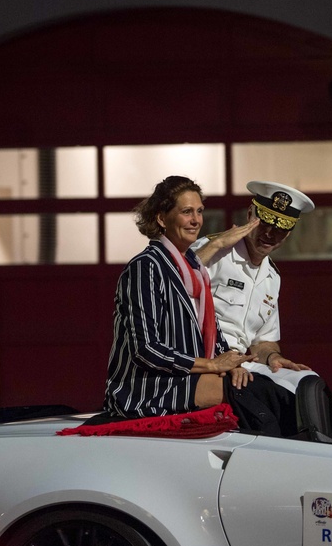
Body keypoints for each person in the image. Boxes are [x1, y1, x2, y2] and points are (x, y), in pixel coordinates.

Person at [104, 175, 296, 435]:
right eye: (186, 212)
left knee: (292, 393)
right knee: (264, 400)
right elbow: (145, 349)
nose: (196, 220)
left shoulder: (195, 270)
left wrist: (233, 364)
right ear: (161, 218)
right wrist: (213, 366)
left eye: (199, 211)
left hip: (186, 377)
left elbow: (214, 334)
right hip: (147, 388)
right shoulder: (146, 267)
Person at [192, 180, 314, 391]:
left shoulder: (271, 277)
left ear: (289, 233)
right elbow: (171, 279)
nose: (269, 234)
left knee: (307, 382)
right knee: (276, 397)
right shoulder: (214, 250)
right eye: (264, 223)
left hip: (244, 362)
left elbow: (263, 341)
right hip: (206, 360)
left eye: (279, 228)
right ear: (250, 214)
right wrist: (216, 245)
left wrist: (274, 357)